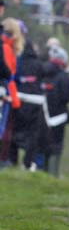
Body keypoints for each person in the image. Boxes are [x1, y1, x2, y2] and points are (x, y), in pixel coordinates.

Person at [41, 47, 69, 177]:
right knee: (56, 145)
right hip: (59, 116)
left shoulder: (42, 71)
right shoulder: (63, 75)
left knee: (44, 143)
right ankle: (53, 173)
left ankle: (42, 172)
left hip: (42, 114)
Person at [10, 39, 43, 169]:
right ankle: (27, 162)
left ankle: (12, 160)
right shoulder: (39, 64)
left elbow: (14, 77)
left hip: (19, 99)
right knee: (32, 133)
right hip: (35, 101)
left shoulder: (19, 62)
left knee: (15, 129)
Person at [0, 18, 24, 166]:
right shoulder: (7, 49)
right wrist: (13, 98)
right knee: (3, 129)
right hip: (5, 93)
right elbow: (9, 75)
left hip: (7, 91)